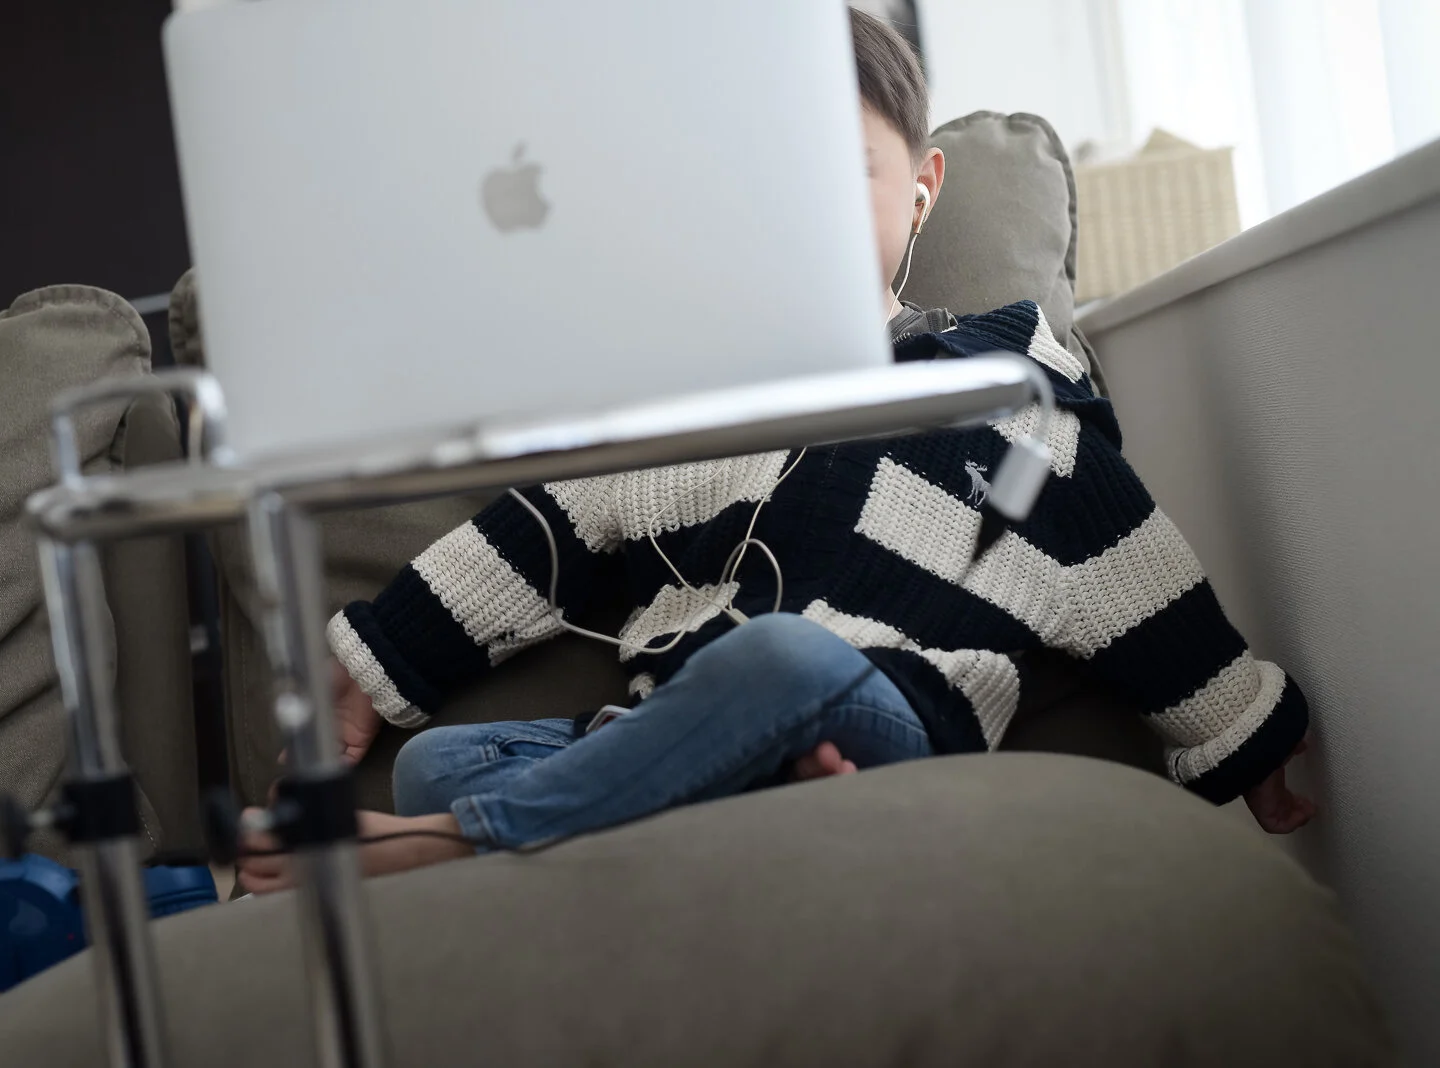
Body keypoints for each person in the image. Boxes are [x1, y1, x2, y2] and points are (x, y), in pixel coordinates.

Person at [237, 9, 1313, 894]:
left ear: (923, 188)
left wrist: (1244, 738)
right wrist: (370, 670)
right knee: (437, 761)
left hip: (882, 718)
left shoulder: (1004, 398)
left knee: (783, 660)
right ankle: (716, 809)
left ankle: (471, 845)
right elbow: (535, 539)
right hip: (676, 727)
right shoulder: (695, 412)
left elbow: (1137, 575)